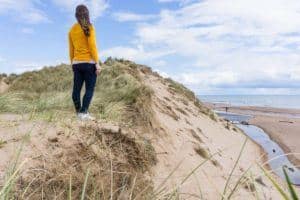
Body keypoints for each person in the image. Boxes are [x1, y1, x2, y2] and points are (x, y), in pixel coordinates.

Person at [69, 4, 101, 120]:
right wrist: (97, 63)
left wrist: (72, 63)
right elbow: (92, 46)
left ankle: (79, 113)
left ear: (76, 15)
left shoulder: (72, 30)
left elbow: (71, 49)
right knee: (89, 89)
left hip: (76, 63)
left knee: (76, 90)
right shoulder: (89, 27)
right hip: (89, 63)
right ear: (87, 14)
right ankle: (84, 113)